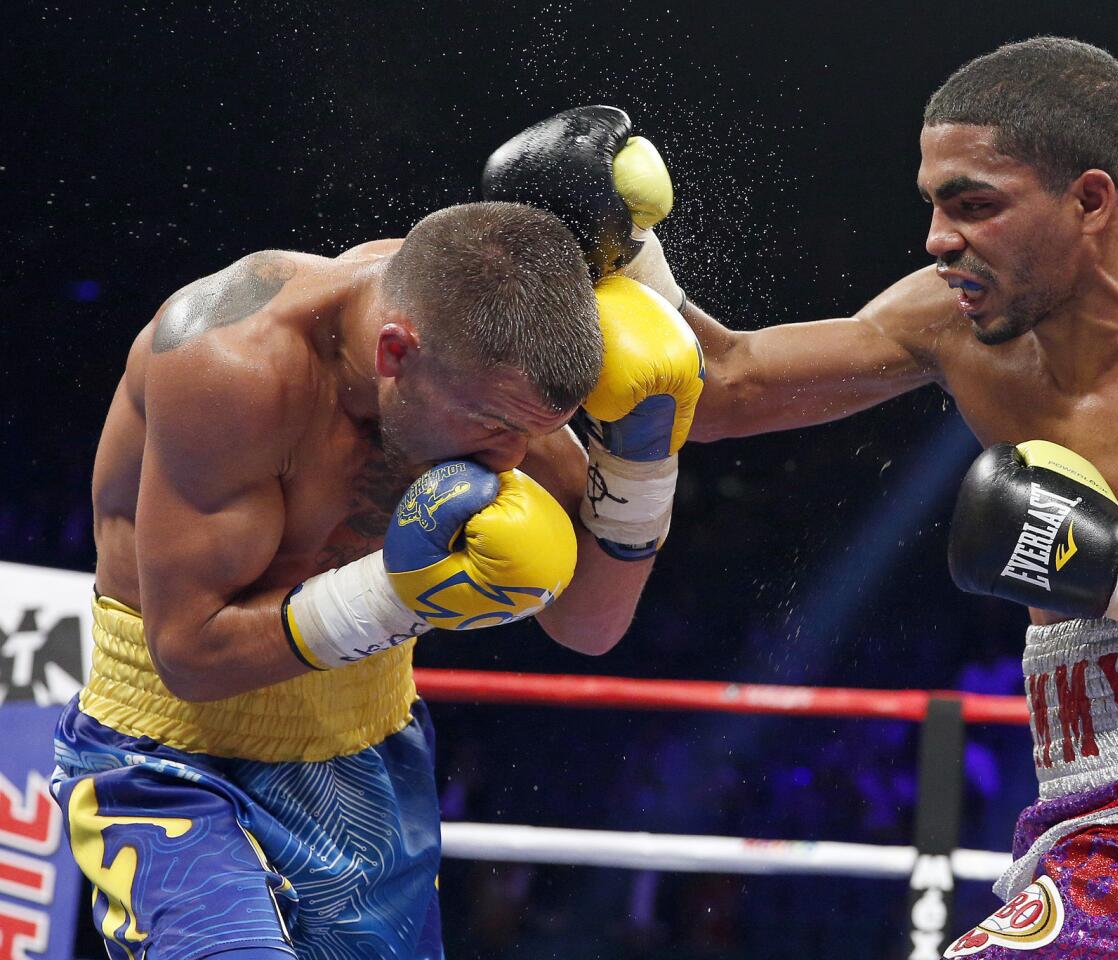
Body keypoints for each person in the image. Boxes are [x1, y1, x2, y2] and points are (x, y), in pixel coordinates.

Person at [482, 37, 1118, 958]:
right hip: (1091, 813)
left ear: (1090, 201)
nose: (938, 239)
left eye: (976, 206)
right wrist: (621, 250)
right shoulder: (954, 323)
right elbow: (725, 388)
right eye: (934, 204)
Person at [51, 200, 704, 959]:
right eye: (496, 426)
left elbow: (590, 626)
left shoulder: (490, 383)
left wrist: (641, 471)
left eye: (533, 429)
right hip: (173, 754)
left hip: (365, 747)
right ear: (395, 354)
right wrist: (397, 597)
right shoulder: (232, 362)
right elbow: (187, 654)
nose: (511, 458)